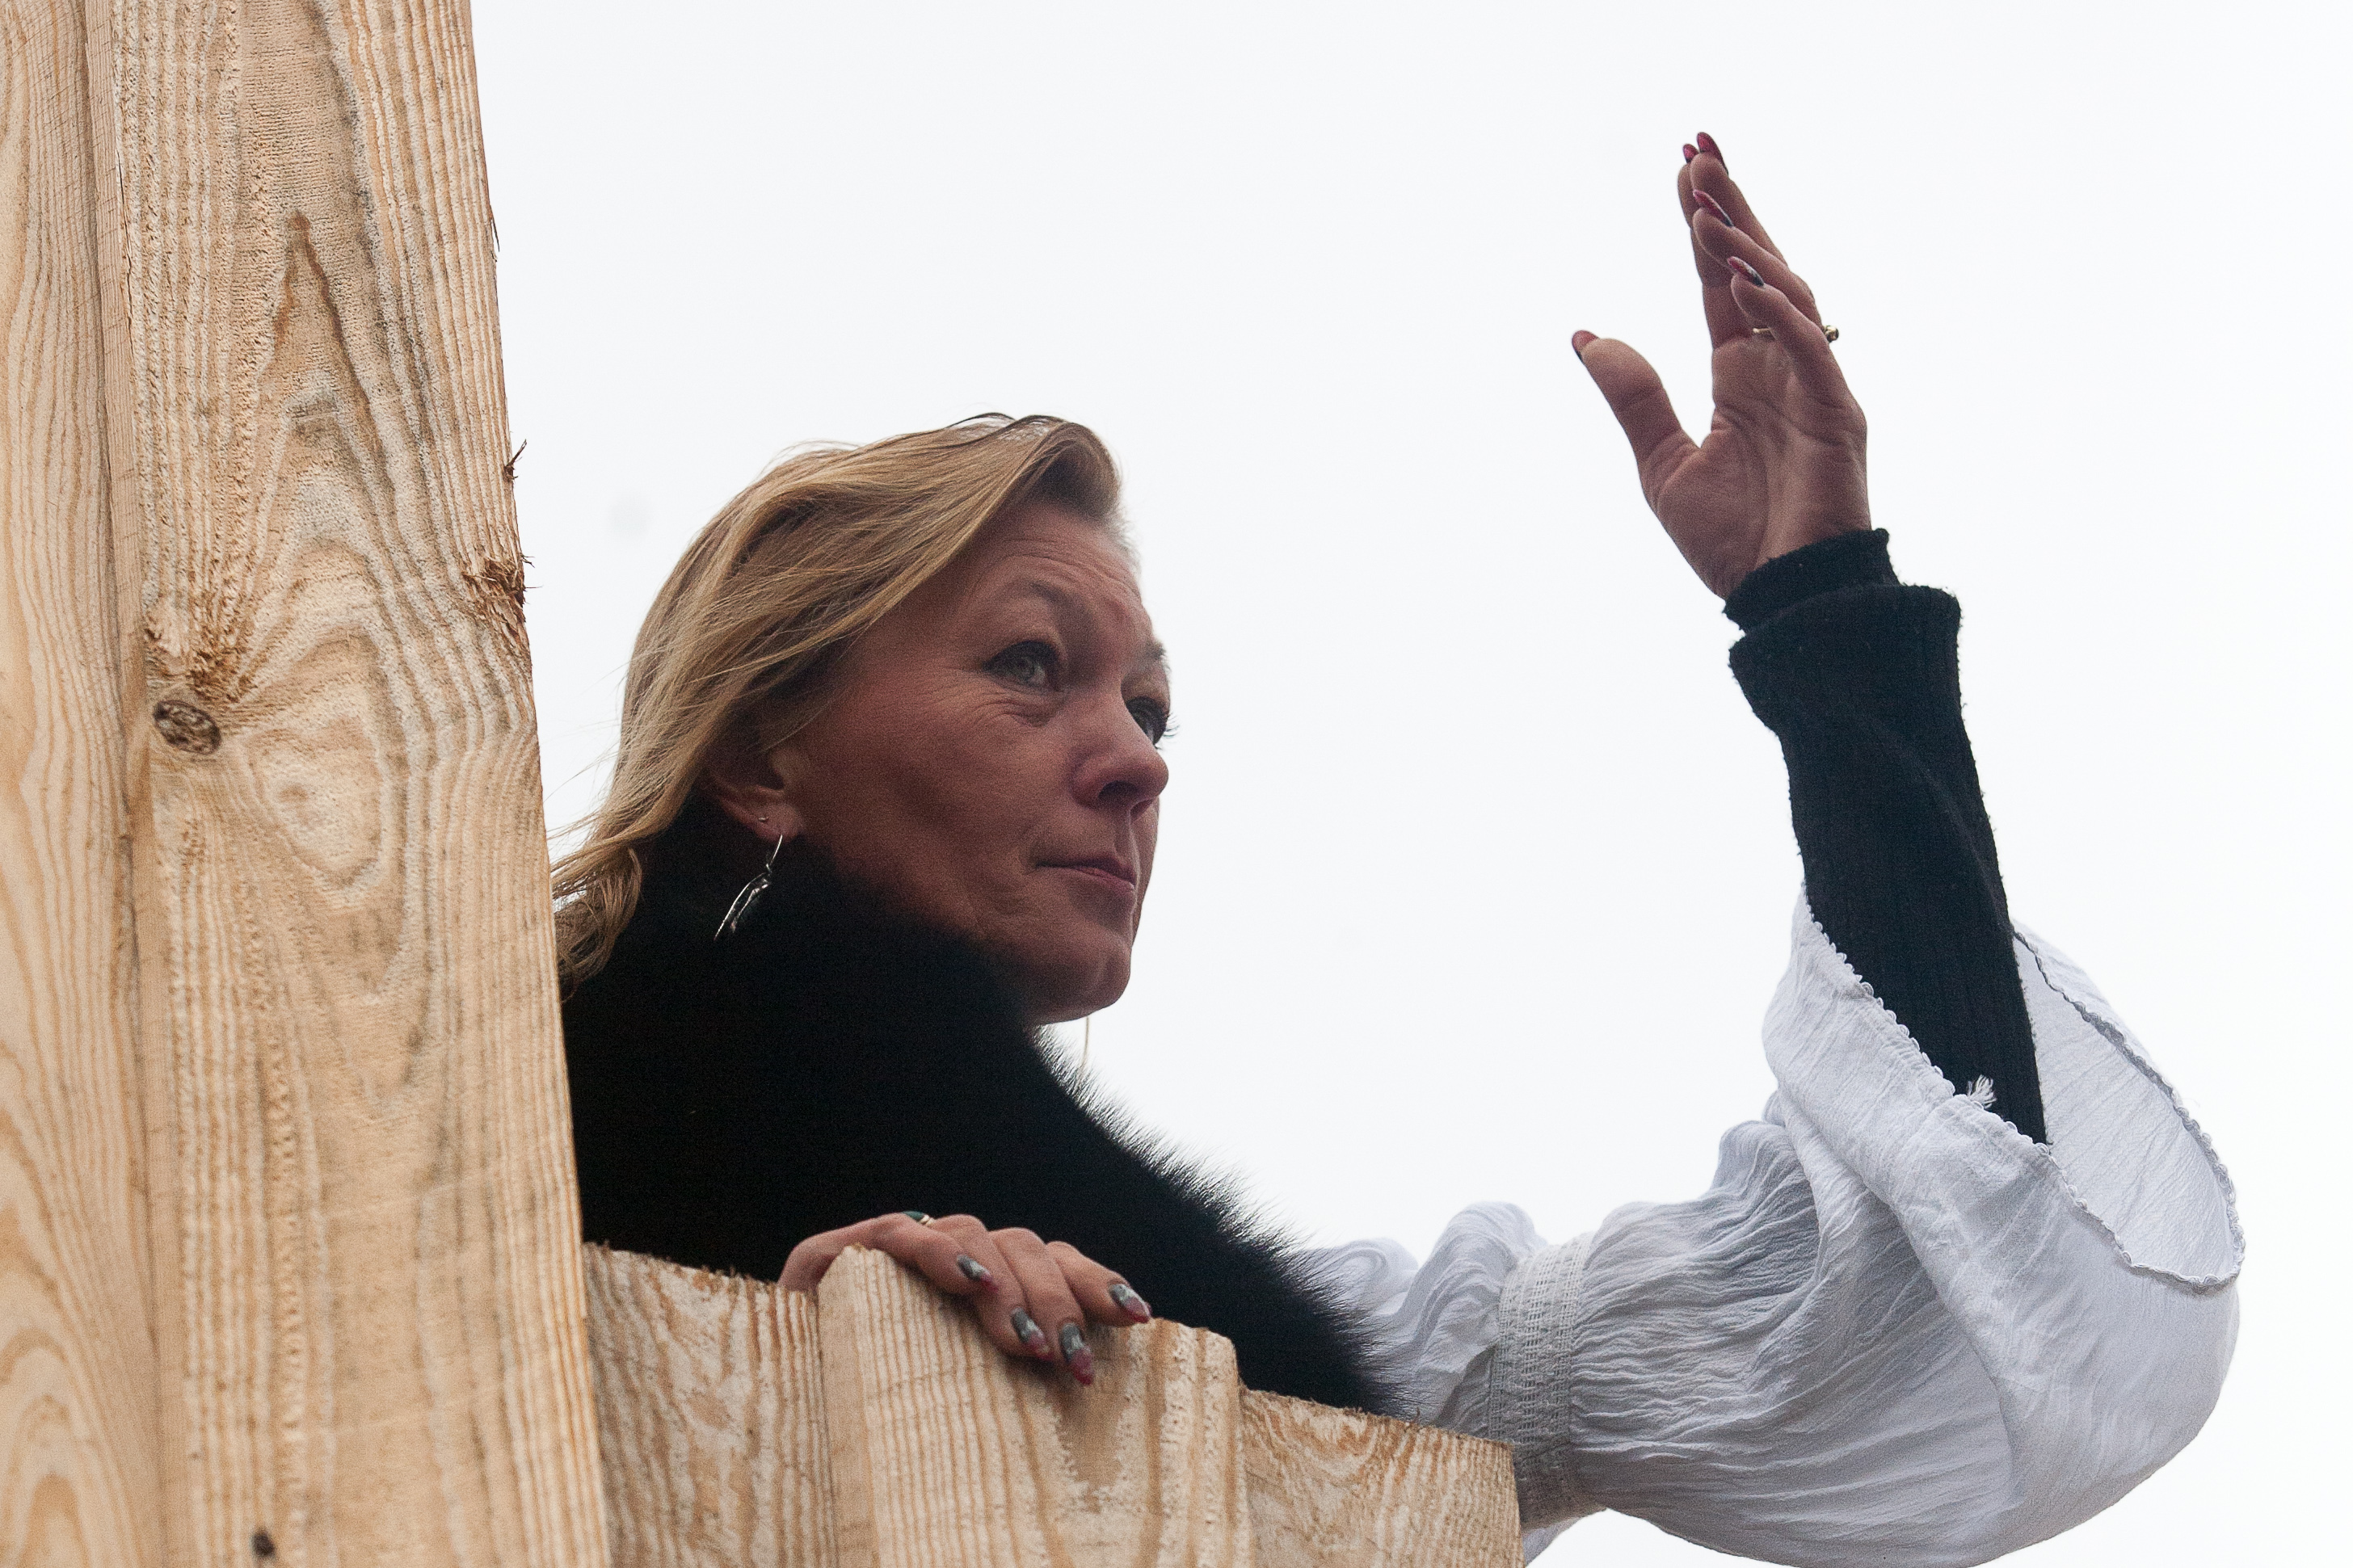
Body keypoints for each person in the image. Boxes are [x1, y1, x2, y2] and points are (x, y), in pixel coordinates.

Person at [555, 133, 2238, 1566]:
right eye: (1029, 664)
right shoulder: (488, 1113)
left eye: (1152, 705)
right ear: (762, 759)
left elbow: (1937, 1281)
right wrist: (762, 1361)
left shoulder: (1253, 1338)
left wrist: (1824, 613)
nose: (1136, 759)